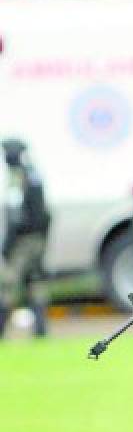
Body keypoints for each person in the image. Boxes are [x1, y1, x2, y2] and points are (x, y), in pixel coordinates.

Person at [0, 139, 51, 338]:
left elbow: (16, 216)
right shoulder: (34, 174)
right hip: (37, 239)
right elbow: (45, 214)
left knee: (8, 285)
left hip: (22, 242)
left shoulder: (18, 177)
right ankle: (41, 330)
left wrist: (6, 246)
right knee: (35, 283)